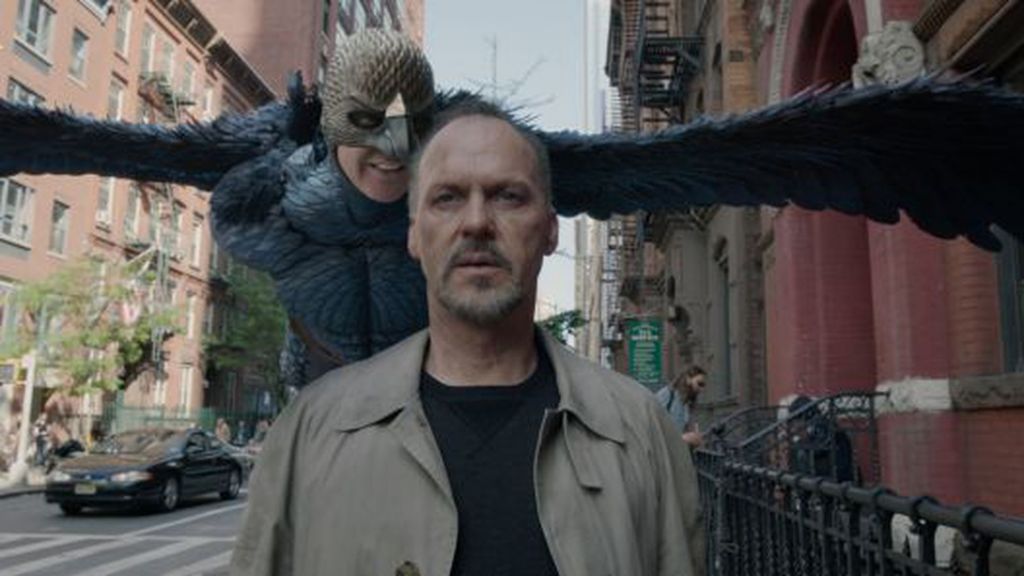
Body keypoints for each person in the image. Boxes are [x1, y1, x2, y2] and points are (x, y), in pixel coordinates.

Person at [230, 100, 706, 576]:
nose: (477, 222)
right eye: (447, 198)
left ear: (550, 231)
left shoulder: (641, 433)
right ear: (414, 235)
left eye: (508, 197)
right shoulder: (310, 431)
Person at [655, 365, 707, 446]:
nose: (701, 389)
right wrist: (683, 438)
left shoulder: (688, 404)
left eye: (703, 385)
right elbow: (654, 427)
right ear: (688, 379)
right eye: (699, 384)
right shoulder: (667, 395)